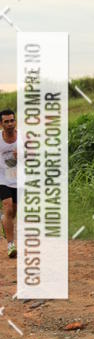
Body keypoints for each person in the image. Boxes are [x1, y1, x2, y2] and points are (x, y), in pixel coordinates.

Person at [0, 109, 19, 259]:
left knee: (13, 211)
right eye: (6, 121)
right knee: (7, 206)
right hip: (2, 179)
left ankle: (4, 222)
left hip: (18, 179)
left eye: (12, 120)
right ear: (1, 124)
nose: (10, 124)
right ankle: (11, 245)